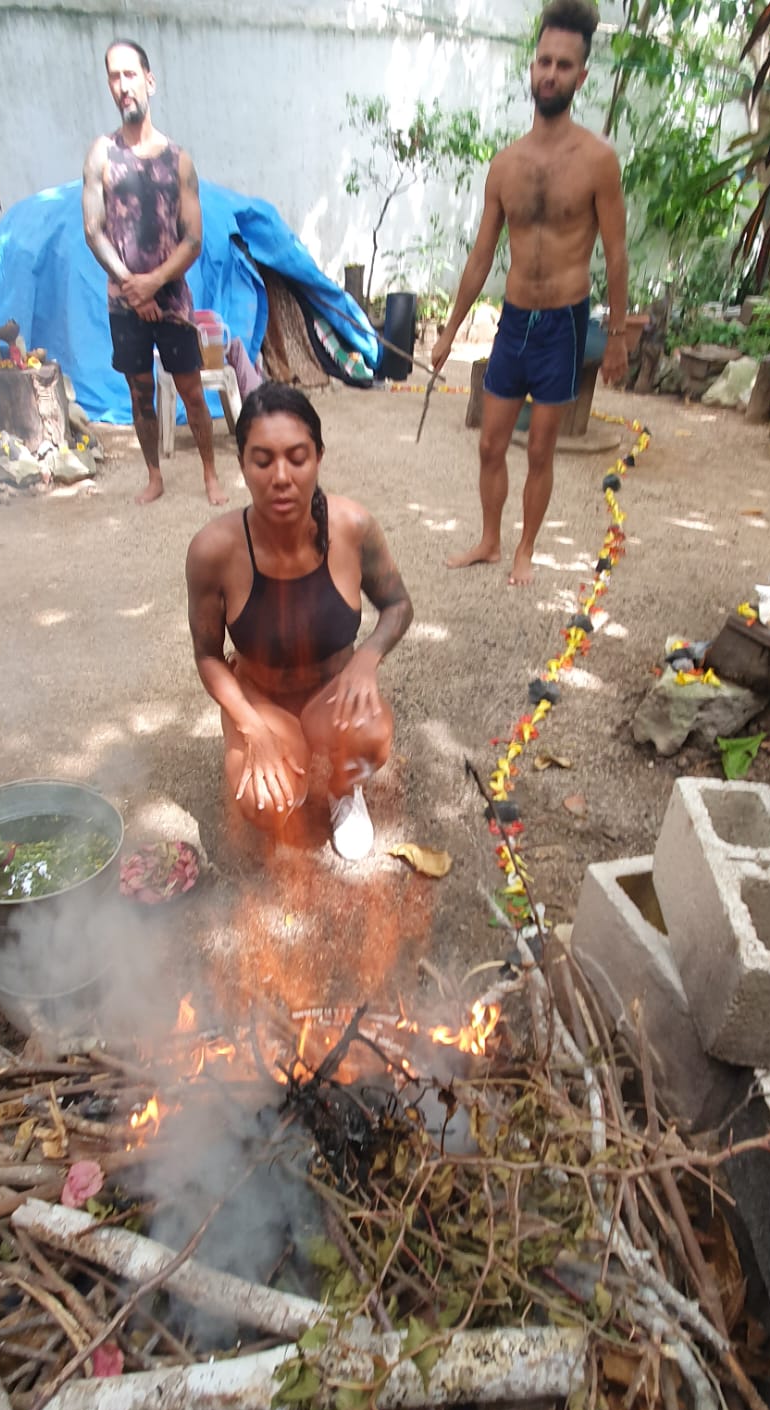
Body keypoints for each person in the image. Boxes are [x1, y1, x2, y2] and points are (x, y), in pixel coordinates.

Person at [430, 0, 628, 586]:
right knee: (491, 444)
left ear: (581, 76)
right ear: (532, 67)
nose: (550, 73)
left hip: (563, 324)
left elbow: (615, 253)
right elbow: (481, 256)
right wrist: (446, 332)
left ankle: (525, 549)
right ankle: (490, 540)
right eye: (544, 61)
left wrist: (616, 336)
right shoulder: (505, 165)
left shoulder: (598, 160)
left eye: (564, 65)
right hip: (514, 321)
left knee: (540, 451)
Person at [187, 383, 412, 861]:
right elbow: (208, 656)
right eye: (263, 460)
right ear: (243, 464)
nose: (281, 477)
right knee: (265, 803)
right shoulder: (214, 550)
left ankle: (341, 788)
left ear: (319, 456)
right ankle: (285, 768)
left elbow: (397, 606)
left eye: (297, 457)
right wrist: (250, 724)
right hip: (261, 697)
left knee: (370, 737)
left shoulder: (354, 528)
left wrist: (366, 659)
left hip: (332, 692)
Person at [82, 39, 227, 507]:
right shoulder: (101, 154)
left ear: (150, 81)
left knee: (191, 390)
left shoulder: (178, 160)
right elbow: (93, 229)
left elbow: (193, 240)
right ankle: (154, 475)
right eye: (113, 76)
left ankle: (210, 473)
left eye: (130, 75)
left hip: (170, 300)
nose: (122, 86)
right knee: (140, 391)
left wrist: (153, 284)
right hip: (123, 301)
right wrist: (132, 285)